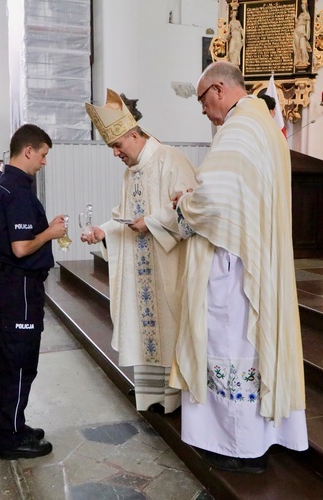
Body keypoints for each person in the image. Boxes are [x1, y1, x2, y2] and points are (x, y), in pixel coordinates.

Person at [167, 61, 308, 474]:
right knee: (250, 348)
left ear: (217, 90)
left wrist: (183, 202)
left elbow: (214, 198)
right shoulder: (264, 125)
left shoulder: (239, 128)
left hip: (234, 265)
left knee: (231, 346)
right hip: (256, 255)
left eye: (202, 102)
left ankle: (238, 446)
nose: (205, 112)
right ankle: (258, 435)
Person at [82, 89, 197, 413]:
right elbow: (125, 215)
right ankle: (152, 396)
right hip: (142, 269)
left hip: (169, 267)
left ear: (134, 134)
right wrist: (103, 230)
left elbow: (192, 209)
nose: (115, 153)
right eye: (112, 147)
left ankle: (173, 398)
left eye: (117, 145)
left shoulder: (171, 159)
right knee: (145, 327)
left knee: (170, 327)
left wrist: (154, 221)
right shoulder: (131, 172)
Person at [0, 123, 66, 460]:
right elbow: (21, 247)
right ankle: (10, 438)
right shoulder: (18, 190)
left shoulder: (4, 183)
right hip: (18, 283)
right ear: (28, 150)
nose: (44, 162)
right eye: (43, 154)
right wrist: (50, 232)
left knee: (12, 358)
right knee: (20, 362)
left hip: (9, 282)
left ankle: (13, 424)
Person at [293, 0, 312, 69]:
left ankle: (304, 61)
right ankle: (298, 60)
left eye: (303, 6)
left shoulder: (307, 15)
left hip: (302, 32)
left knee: (302, 47)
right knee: (297, 47)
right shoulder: (300, 14)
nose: (302, 7)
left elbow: (308, 25)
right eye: (301, 6)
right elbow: (297, 23)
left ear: (306, 6)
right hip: (296, 31)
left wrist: (307, 34)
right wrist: (295, 18)